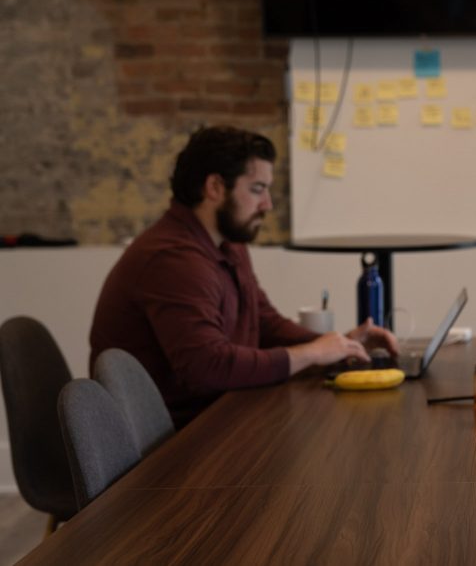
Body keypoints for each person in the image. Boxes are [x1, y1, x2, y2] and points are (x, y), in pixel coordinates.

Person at [90, 126, 398, 428]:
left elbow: (262, 322)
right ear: (215, 188)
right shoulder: (173, 259)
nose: (267, 204)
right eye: (257, 189)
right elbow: (207, 368)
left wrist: (339, 346)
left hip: (217, 417)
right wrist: (309, 353)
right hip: (172, 446)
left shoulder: (227, 243)